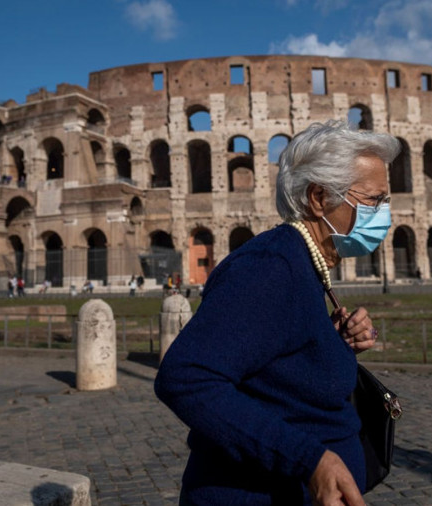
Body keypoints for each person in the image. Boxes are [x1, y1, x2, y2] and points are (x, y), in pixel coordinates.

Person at [155, 121, 396, 504]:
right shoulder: (270, 267)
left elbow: (274, 370)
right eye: (373, 200)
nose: (384, 214)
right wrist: (310, 460)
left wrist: (331, 344)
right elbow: (186, 378)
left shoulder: (301, 263)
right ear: (319, 198)